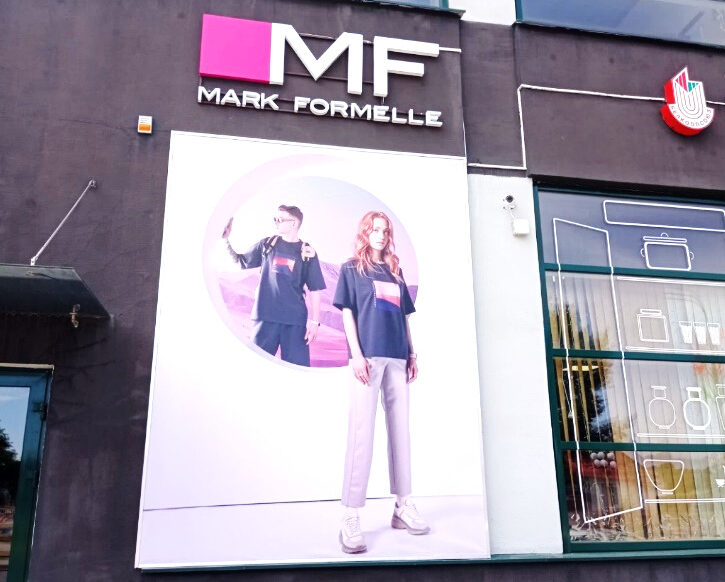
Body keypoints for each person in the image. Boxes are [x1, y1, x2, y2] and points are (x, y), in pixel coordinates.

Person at [333, 210, 429, 554]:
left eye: (385, 231)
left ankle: (403, 506)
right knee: (362, 433)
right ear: (365, 232)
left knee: (400, 431)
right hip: (368, 359)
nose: (380, 235)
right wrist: (356, 355)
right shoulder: (350, 269)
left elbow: (403, 317)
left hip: (397, 358)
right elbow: (347, 313)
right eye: (374, 229)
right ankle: (350, 514)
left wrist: (412, 352)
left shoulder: (394, 272)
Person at [222, 205, 326, 367]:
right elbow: (240, 262)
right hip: (265, 318)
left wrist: (315, 322)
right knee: (257, 368)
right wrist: (225, 240)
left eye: (280, 219)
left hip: (294, 323)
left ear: (293, 223)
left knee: (297, 372)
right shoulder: (267, 245)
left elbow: (315, 289)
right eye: (275, 219)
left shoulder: (307, 252)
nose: (276, 222)